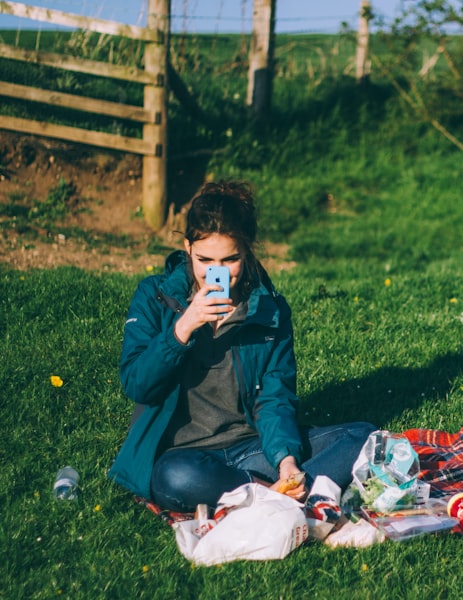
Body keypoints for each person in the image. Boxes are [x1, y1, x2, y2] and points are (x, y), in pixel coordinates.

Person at [109, 180, 374, 513]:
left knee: (364, 437)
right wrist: (182, 329)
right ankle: (282, 497)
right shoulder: (155, 296)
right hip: (184, 456)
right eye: (205, 259)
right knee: (172, 479)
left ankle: (269, 492)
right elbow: (138, 385)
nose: (216, 273)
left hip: (250, 448)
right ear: (188, 248)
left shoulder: (267, 310)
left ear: (246, 252)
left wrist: (287, 462)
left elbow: (274, 397)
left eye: (230, 260)